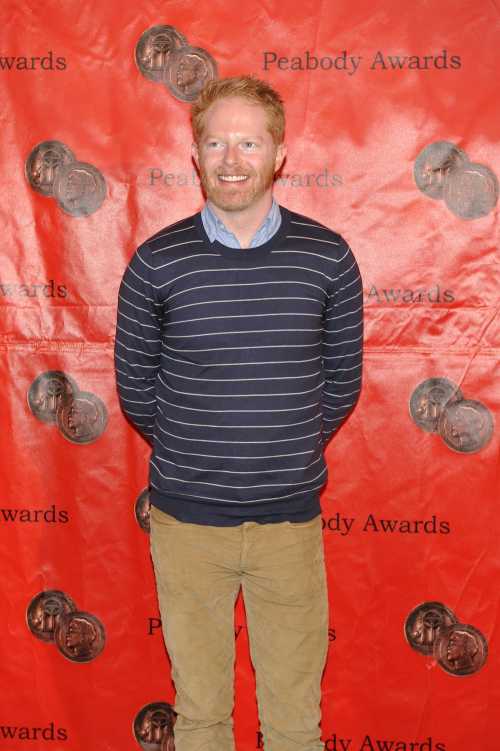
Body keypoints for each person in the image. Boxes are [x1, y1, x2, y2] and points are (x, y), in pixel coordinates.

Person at [115, 75, 363, 751]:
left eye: (248, 141)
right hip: (188, 527)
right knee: (199, 719)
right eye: (216, 141)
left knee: (293, 723)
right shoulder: (156, 263)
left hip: (289, 527)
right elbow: (136, 387)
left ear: (278, 154)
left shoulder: (329, 258)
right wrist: (203, 455)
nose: (231, 158)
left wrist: (277, 453)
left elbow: (341, 382)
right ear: (195, 156)